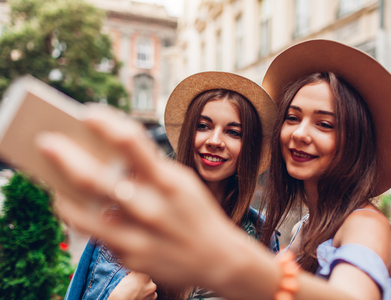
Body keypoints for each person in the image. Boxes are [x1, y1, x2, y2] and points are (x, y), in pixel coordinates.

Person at [39, 40, 391, 300]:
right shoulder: (306, 230)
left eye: (325, 124)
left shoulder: (364, 224)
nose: (301, 134)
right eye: (292, 117)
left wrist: (241, 269)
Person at [62, 71, 279, 300]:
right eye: (203, 126)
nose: (214, 141)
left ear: (249, 147)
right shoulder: (130, 217)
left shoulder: (262, 235)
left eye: (233, 132)